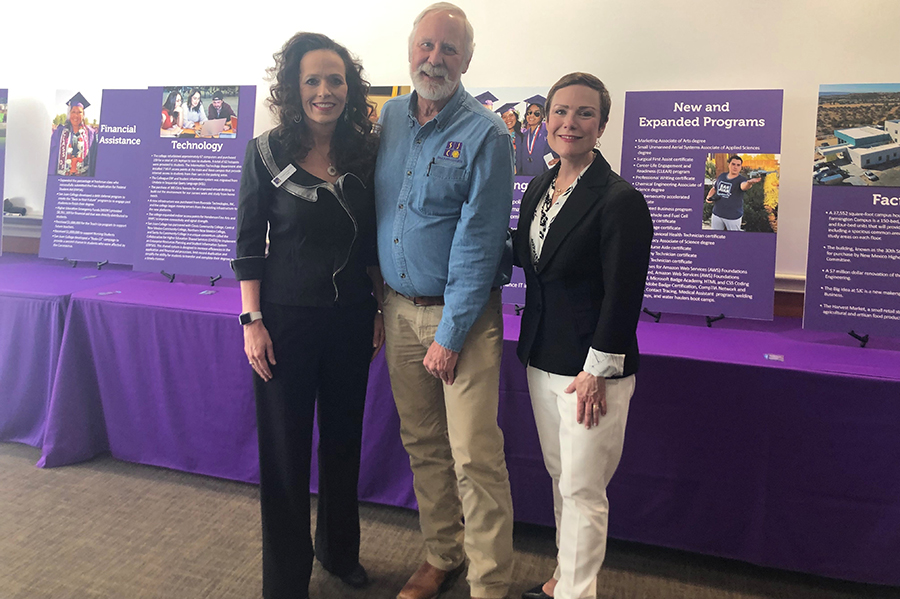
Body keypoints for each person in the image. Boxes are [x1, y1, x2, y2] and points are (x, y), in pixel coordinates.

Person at [232, 31, 382, 599]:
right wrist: (252, 321)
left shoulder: (367, 152)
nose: (325, 91)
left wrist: (377, 308)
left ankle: (339, 552)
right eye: (313, 80)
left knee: (344, 442)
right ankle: (286, 578)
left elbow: (372, 239)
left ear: (350, 86)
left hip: (350, 320)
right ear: (295, 89)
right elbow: (248, 241)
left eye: (336, 80)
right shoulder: (265, 152)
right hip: (285, 322)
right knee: (286, 453)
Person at [374, 4, 515, 599]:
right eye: (426, 45)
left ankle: (488, 584)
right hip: (396, 308)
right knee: (424, 446)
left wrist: (450, 335)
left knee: (474, 459)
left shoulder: (488, 133)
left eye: (449, 49)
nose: (435, 58)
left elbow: (481, 242)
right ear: (410, 49)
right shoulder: (388, 120)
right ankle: (442, 553)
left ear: (467, 60)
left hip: (461, 317)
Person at [512, 73, 652, 599]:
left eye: (584, 113)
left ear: (603, 124)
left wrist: (597, 372)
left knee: (584, 489)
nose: (570, 123)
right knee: (560, 478)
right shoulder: (539, 187)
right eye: (560, 111)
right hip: (541, 356)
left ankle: (576, 592)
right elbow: (529, 260)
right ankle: (563, 581)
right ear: (546, 118)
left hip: (590, 374)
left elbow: (623, 296)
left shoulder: (620, 201)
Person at [705, 155, 760, 231]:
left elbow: (743, 186)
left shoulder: (741, 179)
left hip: (733, 217)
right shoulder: (722, 176)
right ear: (729, 165)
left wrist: (749, 183)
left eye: (738, 165)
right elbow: (715, 188)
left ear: (740, 167)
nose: (735, 167)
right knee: (716, 237)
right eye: (733, 164)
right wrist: (709, 196)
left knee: (734, 239)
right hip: (717, 214)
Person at [50, 92, 98, 177]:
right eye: (73, 112)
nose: (76, 115)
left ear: (83, 115)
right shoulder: (59, 132)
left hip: (83, 179)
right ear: (69, 114)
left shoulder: (90, 134)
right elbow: (52, 156)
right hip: (62, 179)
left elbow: (94, 158)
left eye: (79, 112)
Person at [516, 94, 557, 177]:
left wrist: (561, 160)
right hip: (526, 177)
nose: (532, 116)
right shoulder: (523, 135)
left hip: (545, 175)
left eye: (536, 113)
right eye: (529, 112)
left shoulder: (549, 131)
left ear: (542, 115)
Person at [496, 102, 523, 168]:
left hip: (522, 174)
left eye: (511, 115)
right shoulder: (497, 138)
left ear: (516, 117)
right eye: (504, 117)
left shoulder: (524, 136)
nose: (508, 119)